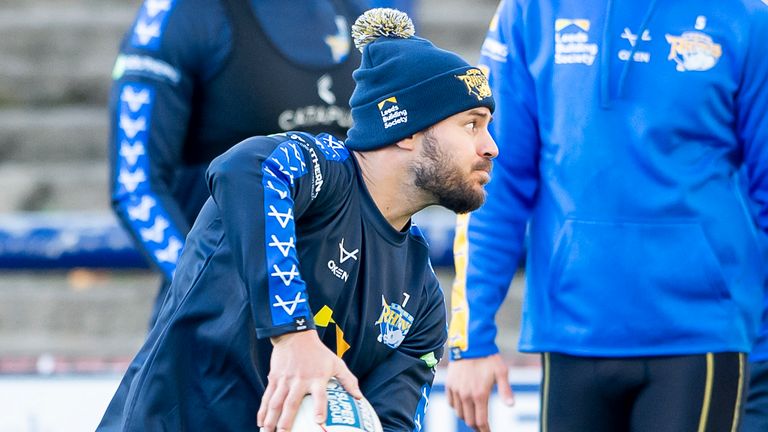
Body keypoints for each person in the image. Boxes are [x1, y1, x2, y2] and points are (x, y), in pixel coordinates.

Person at [98, 8, 498, 432]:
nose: (490, 147)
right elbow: (243, 169)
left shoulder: (422, 299)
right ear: (407, 130)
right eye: (471, 125)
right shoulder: (315, 171)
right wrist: (293, 334)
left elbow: (395, 422)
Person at [445, 1, 768, 431]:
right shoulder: (529, 10)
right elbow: (495, 183)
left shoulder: (744, 15)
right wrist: (472, 340)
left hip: (702, 334)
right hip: (570, 332)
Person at [109, 0, 371, 326]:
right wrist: (213, 292)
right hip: (218, 329)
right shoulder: (181, 13)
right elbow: (136, 186)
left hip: (335, 326)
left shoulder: (358, 13)